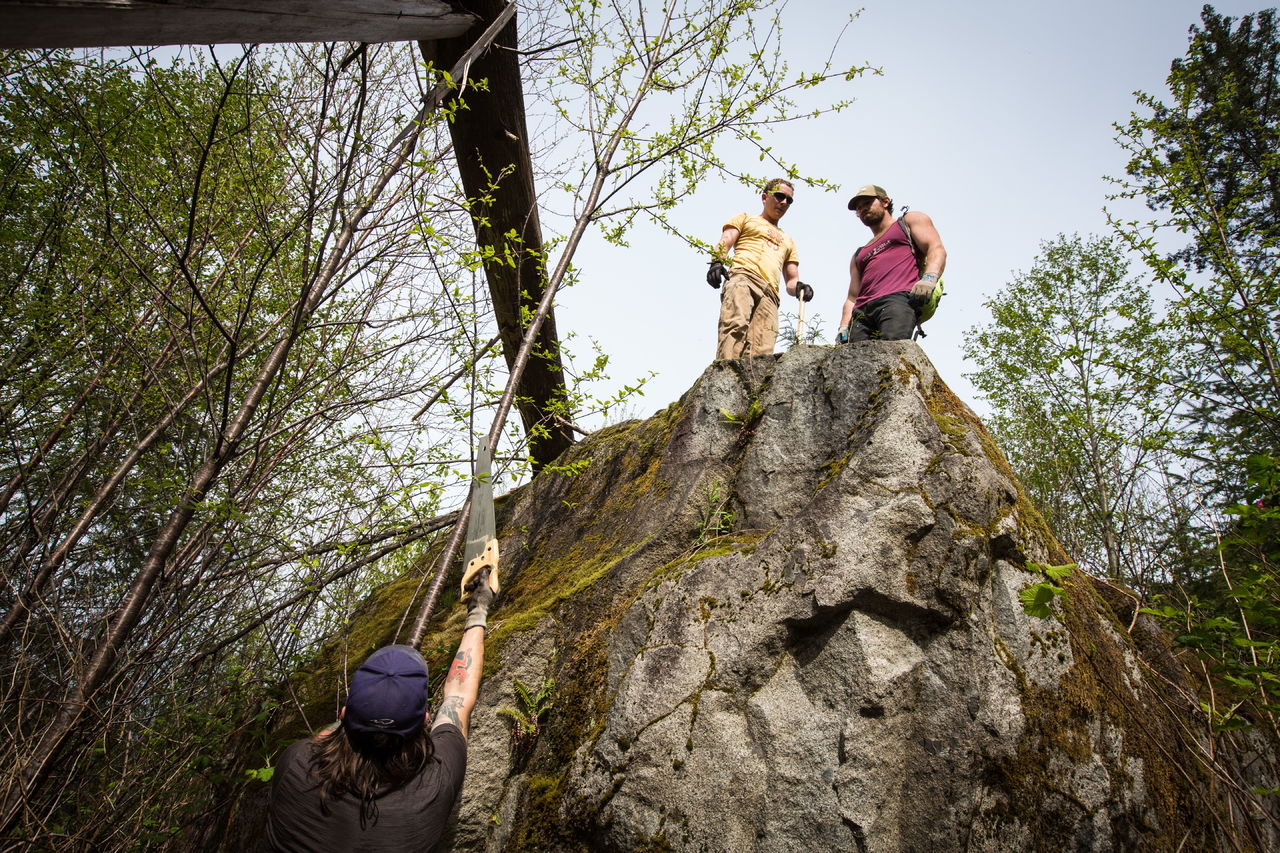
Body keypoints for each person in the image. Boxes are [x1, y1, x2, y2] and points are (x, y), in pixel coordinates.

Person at [262, 576, 496, 852]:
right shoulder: (434, 785)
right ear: (425, 721)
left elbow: (325, 737)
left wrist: (357, 716)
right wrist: (478, 609)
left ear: (344, 713)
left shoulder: (295, 764)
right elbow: (458, 695)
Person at [706, 178, 811, 360]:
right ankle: (724, 374)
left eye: (789, 200)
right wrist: (716, 262)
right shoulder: (746, 218)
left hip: (770, 294)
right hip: (743, 276)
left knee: (762, 346)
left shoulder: (789, 241)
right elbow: (726, 240)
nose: (784, 202)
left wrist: (800, 288)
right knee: (735, 325)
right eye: (779, 196)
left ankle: (753, 388)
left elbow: (791, 280)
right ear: (764, 197)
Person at [836, 184, 946, 342]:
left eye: (867, 203)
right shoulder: (859, 254)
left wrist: (929, 278)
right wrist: (843, 326)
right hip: (861, 313)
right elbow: (852, 297)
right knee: (855, 363)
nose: (862, 210)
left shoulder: (909, 221)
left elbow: (935, 248)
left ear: (885, 202)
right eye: (858, 209)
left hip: (897, 300)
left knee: (892, 354)